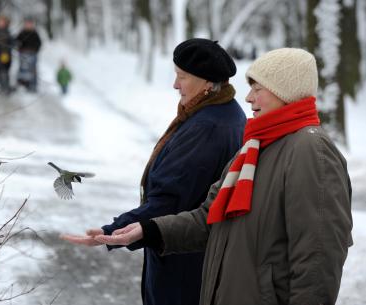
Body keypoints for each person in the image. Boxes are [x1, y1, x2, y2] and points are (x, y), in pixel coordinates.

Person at [91, 48, 353, 305]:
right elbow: (209, 218)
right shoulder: (255, 147)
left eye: (258, 89)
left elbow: (318, 258)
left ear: (285, 92)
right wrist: (148, 230)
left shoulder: (310, 151)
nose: (249, 98)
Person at [60, 38, 247, 305]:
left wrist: (113, 231)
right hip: (191, 255)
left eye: (182, 77)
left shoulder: (209, 127)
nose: (175, 84)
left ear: (207, 82)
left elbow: (170, 200)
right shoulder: (220, 113)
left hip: (185, 263)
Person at [15, 17, 42, 92]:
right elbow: (17, 42)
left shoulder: (35, 33)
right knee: (23, 69)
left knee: (32, 70)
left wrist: (35, 50)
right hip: (23, 54)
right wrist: (20, 49)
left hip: (32, 54)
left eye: (30, 24)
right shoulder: (22, 33)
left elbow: (39, 43)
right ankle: (23, 85)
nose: (28, 25)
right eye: (27, 24)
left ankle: (33, 86)